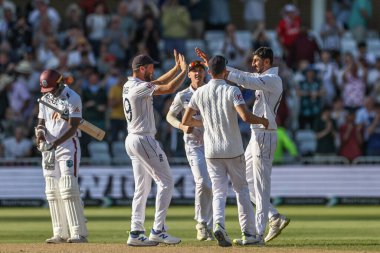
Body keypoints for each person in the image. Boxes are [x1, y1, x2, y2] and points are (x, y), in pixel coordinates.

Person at [195, 46, 290, 244]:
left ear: (267, 62)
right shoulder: (263, 79)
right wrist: (213, 66)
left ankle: (257, 234)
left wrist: (218, 70)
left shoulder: (273, 79)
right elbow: (247, 76)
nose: (253, 64)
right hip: (257, 133)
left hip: (265, 134)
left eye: (256, 61)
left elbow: (247, 80)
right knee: (245, 184)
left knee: (262, 185)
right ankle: (273, 217)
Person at [182, 55, 269, 247]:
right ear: (224, 70)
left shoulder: (199, 93)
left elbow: (186, 121)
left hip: (211, 150)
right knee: (241, 190)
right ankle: (249, 233)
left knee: (219, 191)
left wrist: (205, 122)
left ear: (209, 71)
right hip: (233, 148)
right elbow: (245, 117)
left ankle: (219, 225)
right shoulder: (232, 90)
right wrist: (263, 120)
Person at [124, 51, 188, 246]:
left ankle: (136, 232)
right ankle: (158, 230)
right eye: (150, 66)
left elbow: (158, 82)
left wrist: (176, 68)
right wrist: (184, 72)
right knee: (166, 182)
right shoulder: (138, 88)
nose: (153, 69)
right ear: (142, 69)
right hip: (144, 139)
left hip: (132, 139)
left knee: (142, 188)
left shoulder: (130, 85)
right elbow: (168, 87)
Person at [35, 69, 87, 243]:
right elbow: (41, 123)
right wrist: (40, 136)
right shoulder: (44, 99)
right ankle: (59, 232)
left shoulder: (72, 97)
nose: (49, 93)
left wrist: (55, 144)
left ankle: (78, 233)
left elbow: (73, 127)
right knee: (51, 189)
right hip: (48, 148)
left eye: (51, 89)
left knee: (68, 186)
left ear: (59, 83)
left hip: (67, 145)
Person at [166, 60, 213, 241]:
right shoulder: (182, 95)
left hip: (213, 142)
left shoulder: (211, 90)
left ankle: (211, 224)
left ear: (205, 73)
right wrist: (182, 126)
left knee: (213, 186)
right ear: (189, 74)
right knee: (203, 182)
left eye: (201, 70)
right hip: (194, 145)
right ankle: (201, 224)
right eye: (194, 71)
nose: (197, 73)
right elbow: (169, 116)